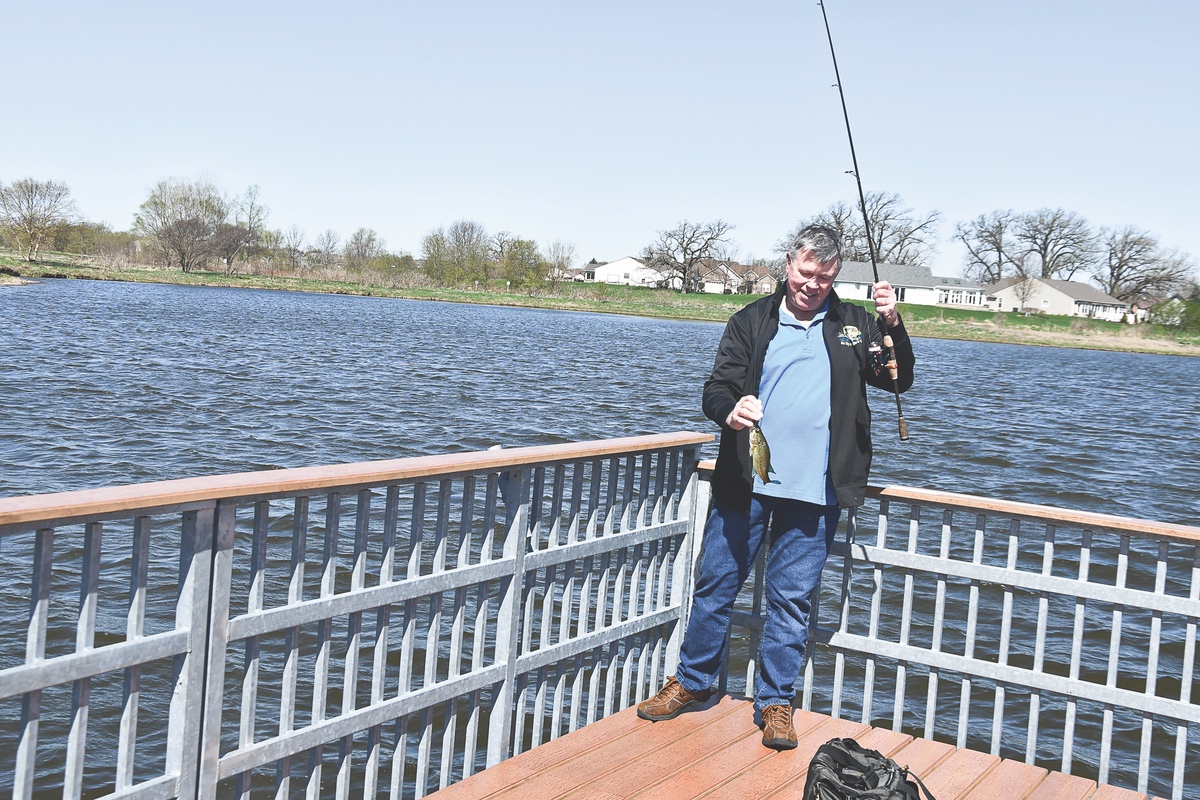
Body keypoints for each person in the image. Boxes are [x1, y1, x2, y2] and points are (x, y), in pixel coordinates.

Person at [636, 224, 915, 750]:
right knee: (716, 585)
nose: (813, 285)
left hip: (818, 491)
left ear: (836, 276)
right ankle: (691, 683)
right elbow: (715, 389)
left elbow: (898, 379)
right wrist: (732, 410)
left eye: (825, 277)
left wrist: (893, 324)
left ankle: (775, 703)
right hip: (746, 482)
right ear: (790, 263)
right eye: (806, 273)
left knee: (791, 601)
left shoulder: (855, 324)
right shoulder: (751, 320)